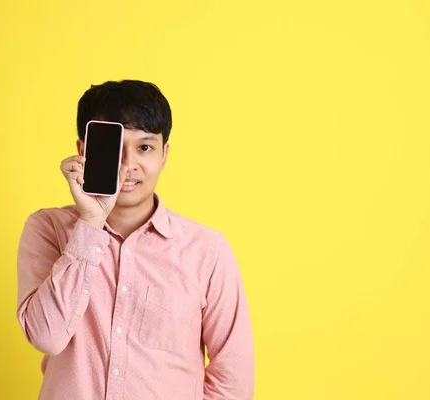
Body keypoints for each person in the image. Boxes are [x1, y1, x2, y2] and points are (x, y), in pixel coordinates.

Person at [16, 79, 254, 399]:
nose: (128, 165)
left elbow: (233, 379)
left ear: (164, 154)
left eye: (144, 147)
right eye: (114, 148)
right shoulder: (48, 229)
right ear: (83, 151)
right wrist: (91, 223)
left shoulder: (207, 252)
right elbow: (46, 336)